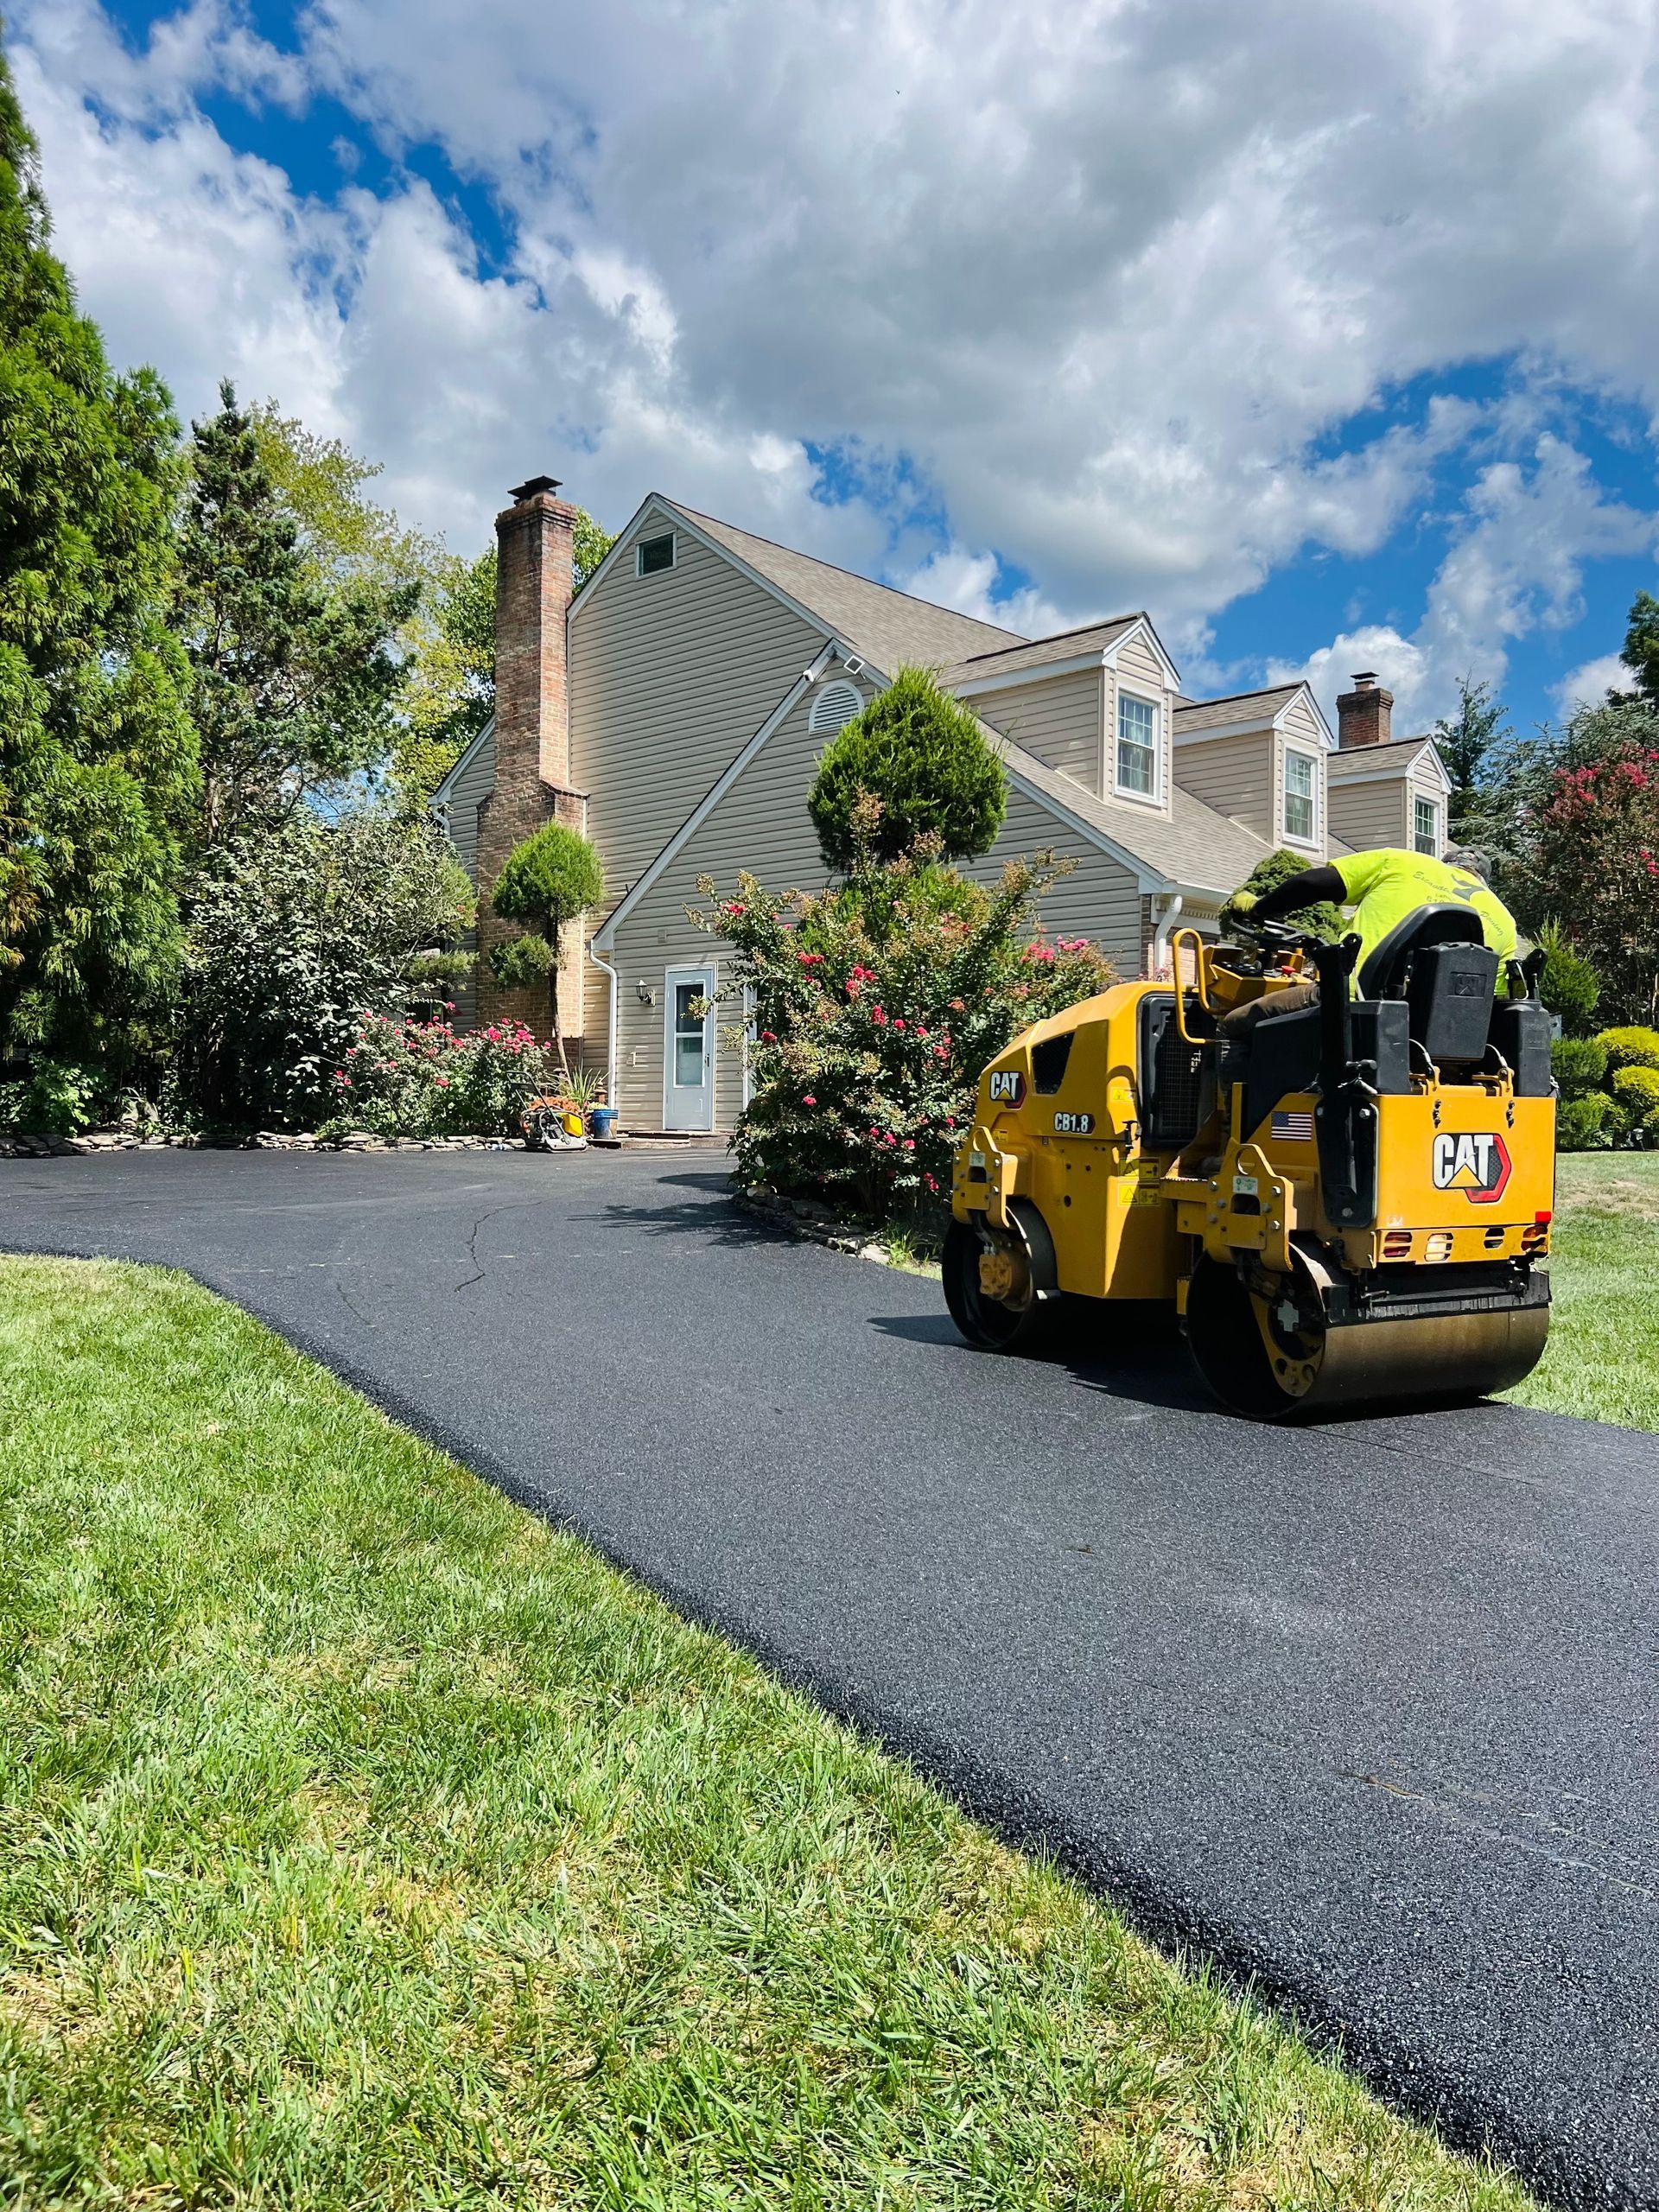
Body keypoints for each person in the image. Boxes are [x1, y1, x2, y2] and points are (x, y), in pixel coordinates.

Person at [1220, 846, 1518, 1033]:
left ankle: (1235, 1129)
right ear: (1482, 880)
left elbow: (1312, 883)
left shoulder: (1402, 862)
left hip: (1349, 1003)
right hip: (1431, 1034)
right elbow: (1489, 1001)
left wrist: (1259, 908)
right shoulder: (1504, 920)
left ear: (1446, 863)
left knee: (1235, 1025)